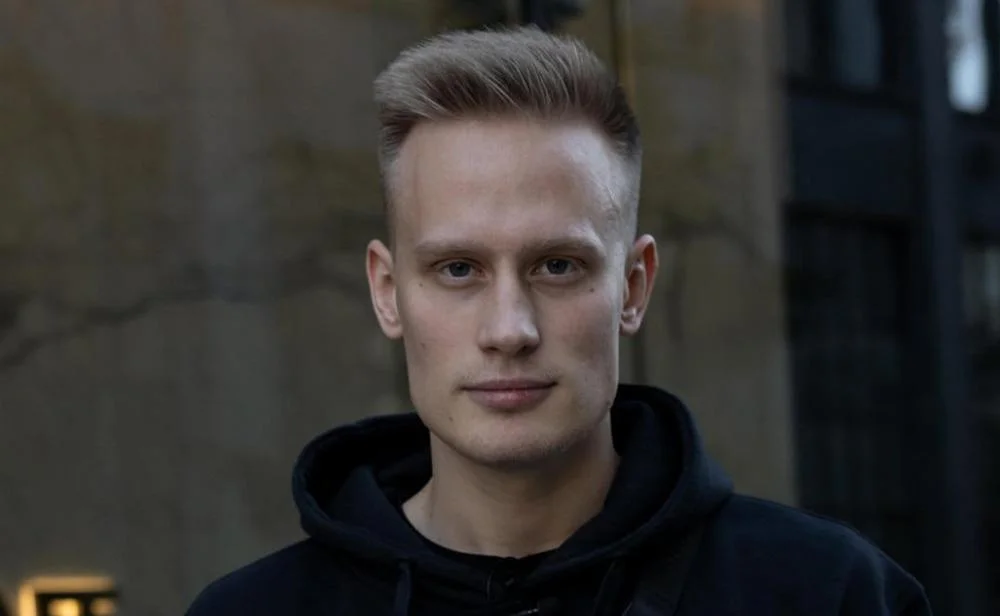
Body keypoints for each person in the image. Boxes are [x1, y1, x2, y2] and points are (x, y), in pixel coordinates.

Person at [185, 26, 931, 616]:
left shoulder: (827, 594)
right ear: (387, 292)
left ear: (634, 287)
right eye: (458, 269)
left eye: (557, 266)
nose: (509, 330)